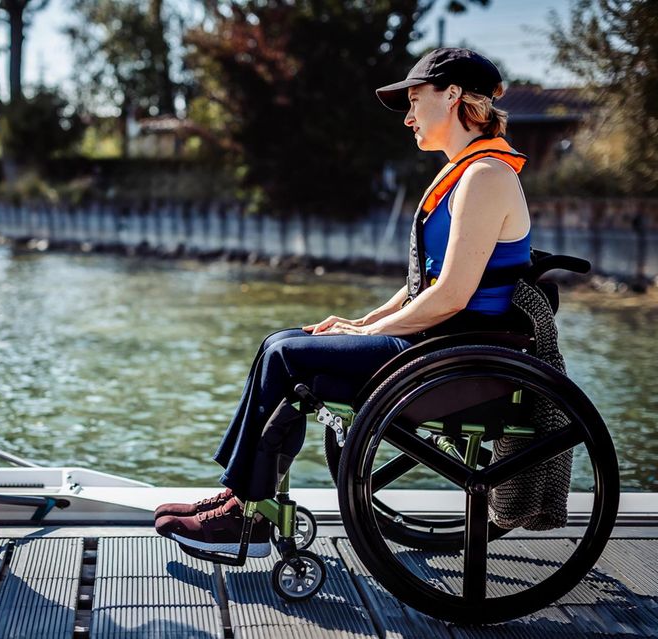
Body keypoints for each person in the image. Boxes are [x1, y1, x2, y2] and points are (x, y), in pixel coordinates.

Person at [154, 48, 532, 557]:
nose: (409, 117)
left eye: (414, 100)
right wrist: (361, 321)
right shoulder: (467, 173)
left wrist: (369, 334)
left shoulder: (486, 177)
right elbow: (426, 282)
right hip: (434, 344)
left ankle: (248, 510)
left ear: (452, 96)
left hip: (452, 357)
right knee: (281, 342)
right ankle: (241, 495)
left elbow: (451, 296)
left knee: (286, 355)